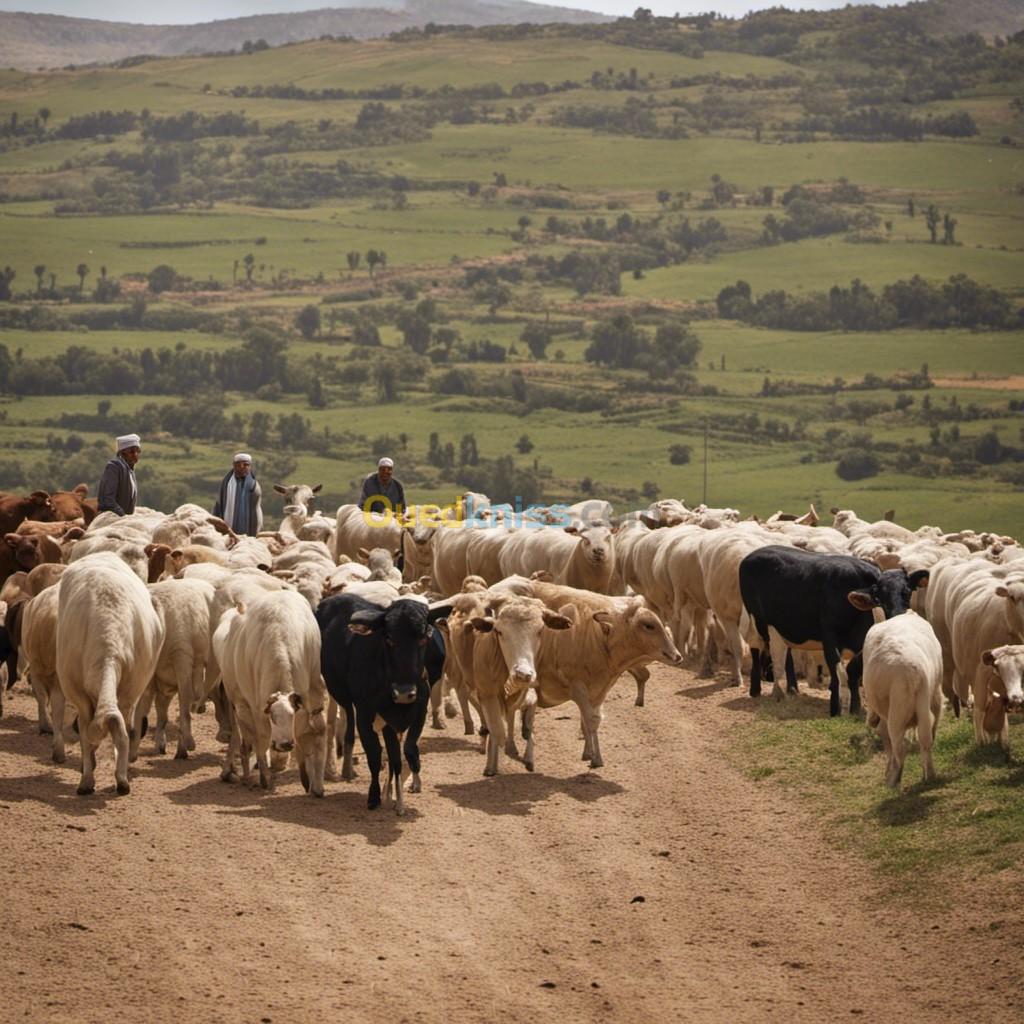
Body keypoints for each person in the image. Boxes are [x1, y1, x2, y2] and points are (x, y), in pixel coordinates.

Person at [213, 452, 263, 536]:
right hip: (225, 526)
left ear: (250, 466)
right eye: (238, 464)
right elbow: (219, 504)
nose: (241, 467)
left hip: (248, 528)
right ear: (233, 465)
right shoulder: (226, 484)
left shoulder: (254, 487)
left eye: (245, 465)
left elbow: (255, 511)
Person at [97, 433, 141, 517]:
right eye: (131, 451)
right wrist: (123, 516)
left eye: (137, 451)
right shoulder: (114, 466)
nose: (135, 454)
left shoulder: (130, 469)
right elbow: (108, 499)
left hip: (123, 519)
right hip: (111, 518)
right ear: (122, 453)